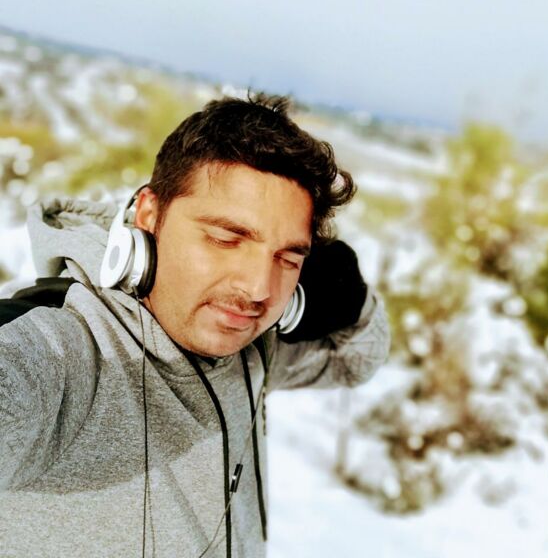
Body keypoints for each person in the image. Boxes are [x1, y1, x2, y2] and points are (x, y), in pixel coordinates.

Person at [0, 93, 390, 557]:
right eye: (226, 239)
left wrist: (351, 297)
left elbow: (358, 358)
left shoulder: (252, 349)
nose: (258, 288)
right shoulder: (70, 352)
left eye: (287, 258)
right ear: (149, 215)